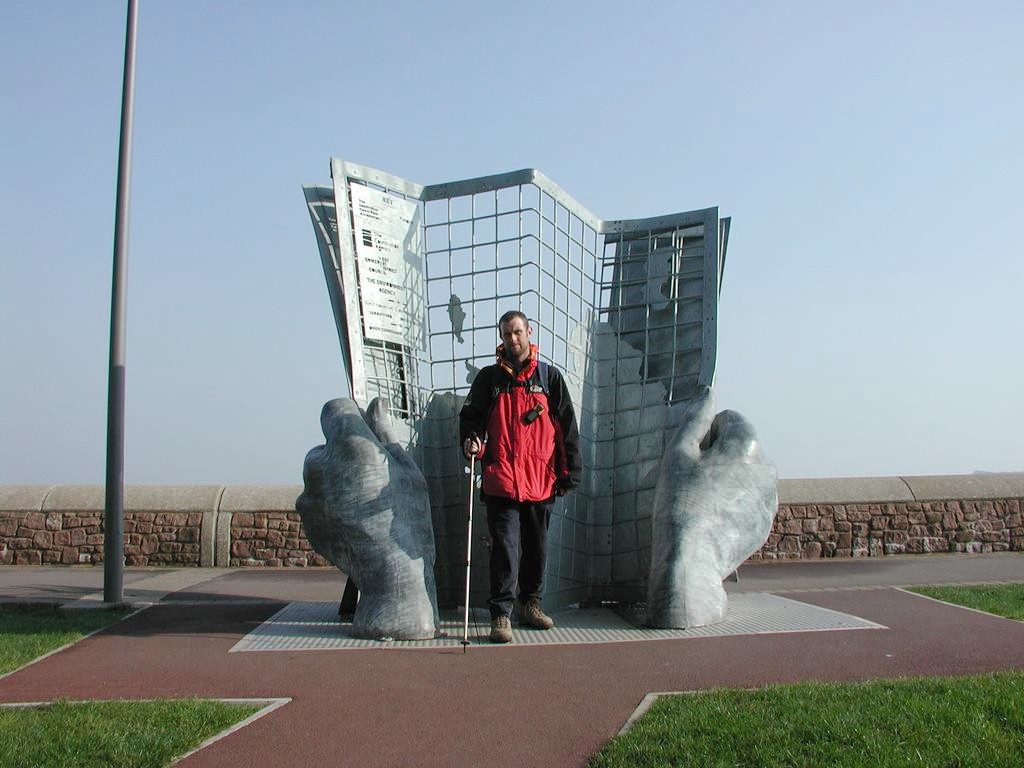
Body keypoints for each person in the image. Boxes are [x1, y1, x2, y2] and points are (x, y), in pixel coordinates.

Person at [459, 311, 581, 643]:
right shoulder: (488, 379)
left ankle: (531, 605)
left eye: (517, 332)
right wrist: (471, 440)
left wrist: (571, 472)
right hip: (501, 480)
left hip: (541, 480)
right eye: (506, 334)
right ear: (501, 338)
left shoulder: (549, 378)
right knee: (505, 548)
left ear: (529, 332)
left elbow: (567, 427)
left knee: (537, 548)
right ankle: (501, 615)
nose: (512, 339)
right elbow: (471, 419)